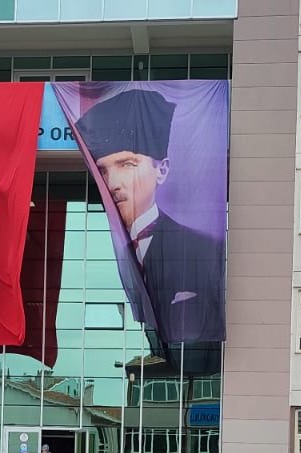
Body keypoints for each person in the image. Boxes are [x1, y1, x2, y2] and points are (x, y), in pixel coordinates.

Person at [75, 88, 224, 344]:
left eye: (127, 165)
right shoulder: (93, 254)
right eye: (103, 171)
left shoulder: (204, 250)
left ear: (161, 170)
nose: (113, 183)